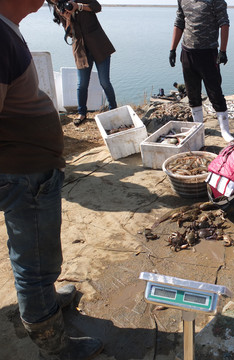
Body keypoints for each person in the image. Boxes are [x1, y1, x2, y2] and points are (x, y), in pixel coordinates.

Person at [0, 0, 103, 358]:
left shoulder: (6, 28)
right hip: (23, 174)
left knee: (41, 252)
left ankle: (46, 299)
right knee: (34, 260)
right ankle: (53, 344)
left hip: (32, 170)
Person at [169, 0, 234, 142]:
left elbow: (224, 23)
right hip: (187, 53)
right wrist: (172, 49)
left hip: (208, 53)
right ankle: (198, 127)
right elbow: (179, 22)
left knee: (215, 92)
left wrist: (223, 50)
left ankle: (225, 131)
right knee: (192, 93)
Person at [47, 0, 117, 126]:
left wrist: (78, 6)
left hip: (98, 44)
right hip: (81, 50)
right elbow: (69, 33)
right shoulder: (59, 9)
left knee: (105, 82)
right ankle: (82, 113)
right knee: (82, 84)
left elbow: (97, 7)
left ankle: (114, 111)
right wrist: (68, 19)